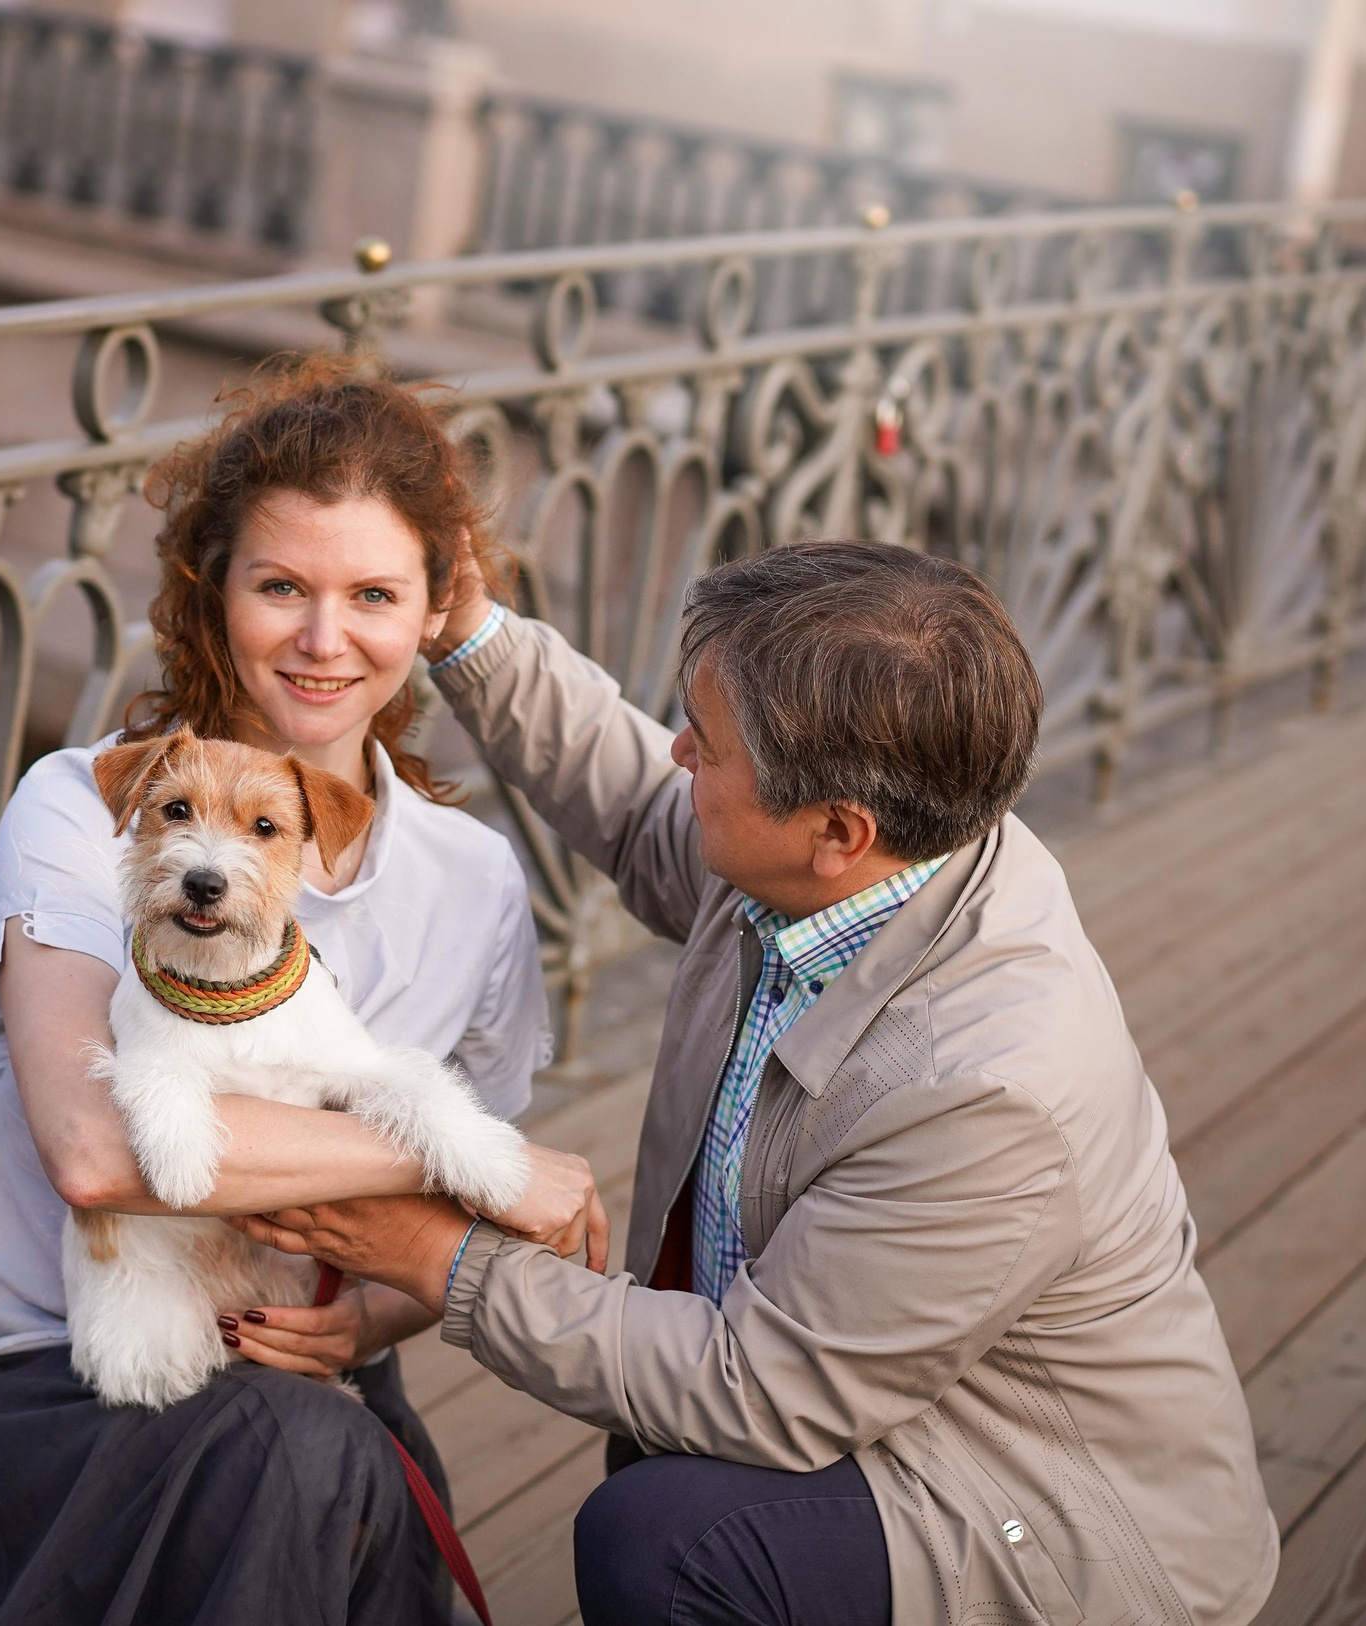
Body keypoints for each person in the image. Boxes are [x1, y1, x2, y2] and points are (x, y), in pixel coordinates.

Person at [237, 541, 1280, 1625]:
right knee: (662, 1479)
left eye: (708, 743)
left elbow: (759, 1387)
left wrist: (438, 1257)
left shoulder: (986, 1089)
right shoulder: (865, 860)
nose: (678, 750)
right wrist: (469, 632)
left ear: (836, 831)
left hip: (1043, 1522)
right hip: (873, 1405)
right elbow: (643, 802)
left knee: (671, 1542)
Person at [0, 356, 608, 1626]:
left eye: (373, 592)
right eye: (280, 588)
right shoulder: (83, 807)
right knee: (306, 1459)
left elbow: (438, 1229)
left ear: (436, 609)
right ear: (213, 595)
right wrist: (456, 1154)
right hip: (27, 1377)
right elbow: (96, 1153)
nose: (323, 639)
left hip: (286, 1369)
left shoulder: (474, 880)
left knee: (315, 1445)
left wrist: (367, 1319)